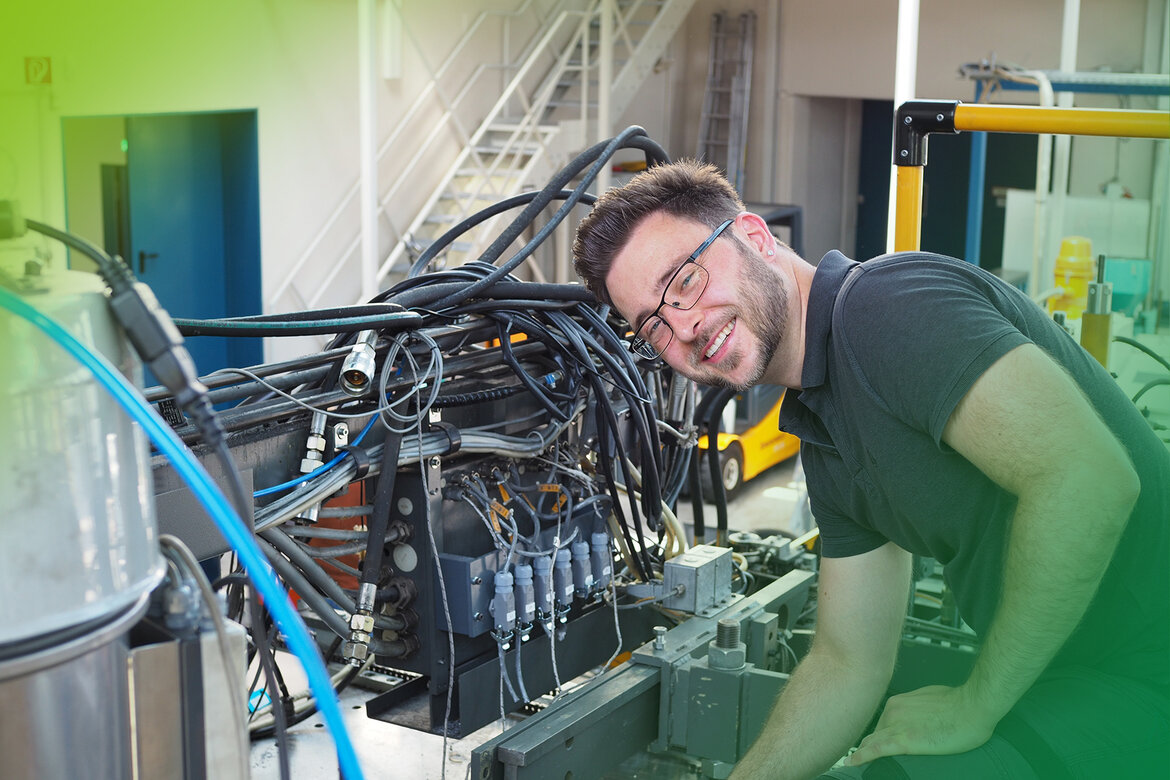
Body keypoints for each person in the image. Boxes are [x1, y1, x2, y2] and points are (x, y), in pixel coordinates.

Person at [572, 160, 1169, 778]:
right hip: (1073, 678)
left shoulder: (887, 308)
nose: (684, 327)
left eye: (686, 281)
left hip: (1146, 673)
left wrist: (976, 703)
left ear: (754, 237)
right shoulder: (824, 425)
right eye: (653, 325)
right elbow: (847, 662)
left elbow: (1089, 479)